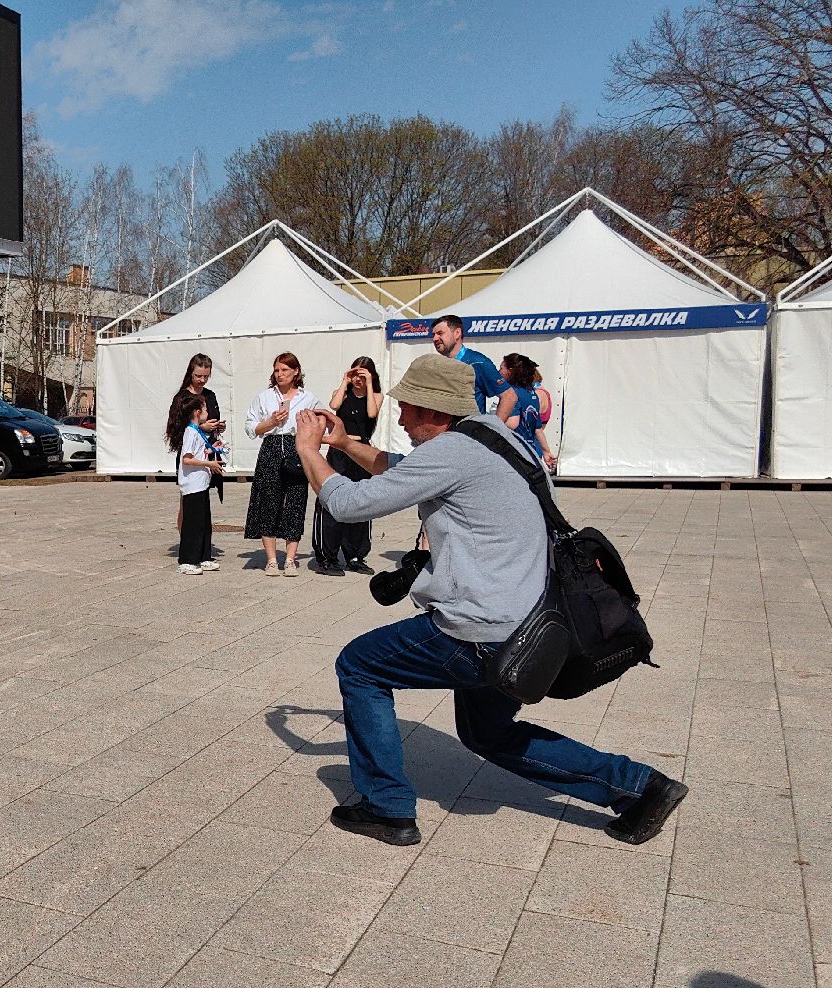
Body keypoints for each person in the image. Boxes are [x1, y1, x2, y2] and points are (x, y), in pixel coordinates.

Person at [291, 352, 688, 847]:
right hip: (529, 621)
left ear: (434, 413)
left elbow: (348, 505)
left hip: (479, 627)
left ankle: (386, 806)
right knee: (487, 733)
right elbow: (403, 469)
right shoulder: (488, 434)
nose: (398, 416)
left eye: (407, 409)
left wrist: (310, 450)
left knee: (360, 666)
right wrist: (346, 443)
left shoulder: (450, 452)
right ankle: (642, 787)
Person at [244, 352, 319, 576]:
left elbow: (323, 418)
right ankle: (271, 559)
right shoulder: (264, 397)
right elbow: (251, 428)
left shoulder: (308, 397)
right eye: (277, 370)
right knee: (269, 501)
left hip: (296, 449)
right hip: (271, 447)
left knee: (296, 501)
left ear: (296, 371)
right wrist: (270, 422)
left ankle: (290, 558)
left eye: (284, 370)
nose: (280, 374)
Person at [311, 357, 384, 576]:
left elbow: (371, 413)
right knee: (332, 498)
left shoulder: (376, 395)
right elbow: (333, 406)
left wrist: (369, 384)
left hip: (361, 451)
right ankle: (327, 556)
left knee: (362, 502)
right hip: (340, 451)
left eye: (362, 376)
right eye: (356, 376)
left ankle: (356, 555)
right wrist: (345, 381)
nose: (358, 380)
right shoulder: (343, 393)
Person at [165, 392, 223, 575]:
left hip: (202, 484)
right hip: (192, 486)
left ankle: (204, 556)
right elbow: (187, 459)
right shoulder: (190, 432)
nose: (208, 412)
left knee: (204, 522)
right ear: (197, 412)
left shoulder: (197, 431)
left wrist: (212, 449)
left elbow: (198, 451)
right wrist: (209, 463)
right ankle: (187, 560)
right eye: (206, 409)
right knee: (193, 524)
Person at [176, 353, 226, 528]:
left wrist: (218, 427)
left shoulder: (210, 396)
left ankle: (200, 543)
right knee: (187, 499)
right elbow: (176, 428)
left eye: (206, 376)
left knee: (202, 497)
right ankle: (186, 540)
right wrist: (200, 429)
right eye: (198, 376)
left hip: (207, 453)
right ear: (191, 372)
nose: (202, 380)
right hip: (190, 454)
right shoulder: (182, 397)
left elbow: (214, 418)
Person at [430, 314, 508, 415]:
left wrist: (493, 427)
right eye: (433, 335)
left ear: (457, 333)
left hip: (470, 429)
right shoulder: (437, 365)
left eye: (440, 333)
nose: (435, 339)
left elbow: (509, 396)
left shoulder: (477, 362)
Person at [497, 353, 558, 473]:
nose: (498, 371)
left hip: (515, 451)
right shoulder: (532, 394)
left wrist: (493, 418)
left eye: (501, 368)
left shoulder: (511, 393)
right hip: (531, 450)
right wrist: (546, 451)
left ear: (510, 371)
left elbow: (513, 423)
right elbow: (538, 429)